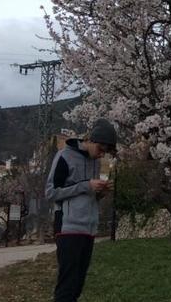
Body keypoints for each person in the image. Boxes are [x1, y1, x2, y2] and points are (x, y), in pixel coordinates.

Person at [45, 118, 117, 302]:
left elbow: (86, 194)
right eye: (101, 149)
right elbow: (51, 193)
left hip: (89, 228)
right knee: (67, 287)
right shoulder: (64, 156)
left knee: (77, 285)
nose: (102, 155)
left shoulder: (94, 162)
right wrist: (86, 186)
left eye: (106, 152)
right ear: (91, 140)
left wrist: (100, 192)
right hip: (68, 226)